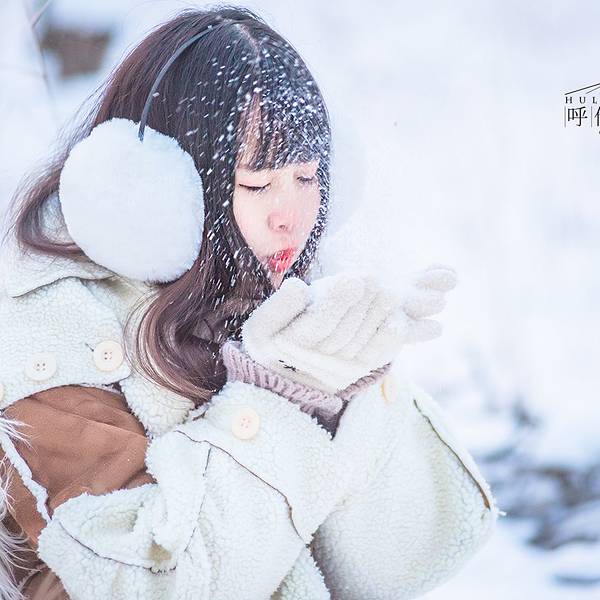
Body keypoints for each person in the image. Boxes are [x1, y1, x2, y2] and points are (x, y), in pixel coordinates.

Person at [0, 6, 500, 599]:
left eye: (308, 178)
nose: (292, 217)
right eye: (258, 184)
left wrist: (347, 396)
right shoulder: (51, 330)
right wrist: (277, 397)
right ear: (164, 188)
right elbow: (154, 584)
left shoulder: (279, 277)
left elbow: (398, 563)